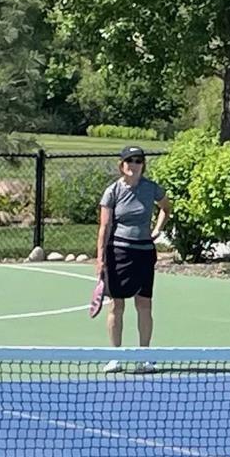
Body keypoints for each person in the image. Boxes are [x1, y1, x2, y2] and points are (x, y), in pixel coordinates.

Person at [97, 145, 170, 370]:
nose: (134, 165)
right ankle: (115, 357)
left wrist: (157, 230)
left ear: (143, 165)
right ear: (122, 165)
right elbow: (105, 226)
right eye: (129, 161)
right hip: (118, 252)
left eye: (138, 161)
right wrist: (100, 259)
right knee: (116, 306)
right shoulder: (113, 191)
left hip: (144, 253)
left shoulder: (152, 189)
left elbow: (166, 208)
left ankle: (144, 357)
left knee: (144, 305)